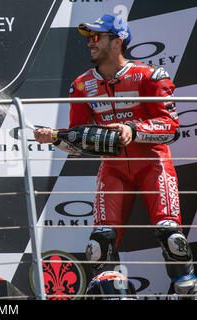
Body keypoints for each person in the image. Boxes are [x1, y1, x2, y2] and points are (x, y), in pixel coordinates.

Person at [34, 14, 196, 298]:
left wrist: (133, 129)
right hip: (113, 171)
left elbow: (170, 128)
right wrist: (57, 138)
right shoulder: (82, 85)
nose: (89, 43)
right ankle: (114, 294)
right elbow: (81, 140)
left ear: (118, 41)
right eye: (88, 38)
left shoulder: (150, 76)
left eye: (96, 37)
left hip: (153, 165)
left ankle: (186, 291)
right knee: (99, 244)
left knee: (172, 237)